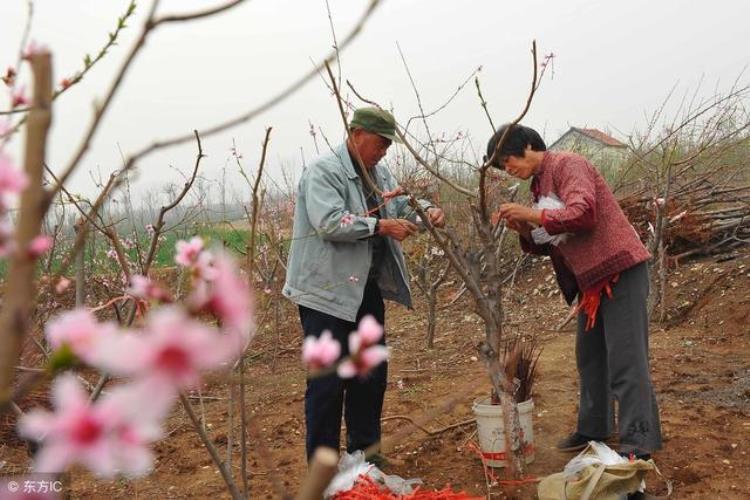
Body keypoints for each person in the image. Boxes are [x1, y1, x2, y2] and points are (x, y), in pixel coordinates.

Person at [486, 123, 662, 459]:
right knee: (590, 357)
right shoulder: (538, 187)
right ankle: (593, 428)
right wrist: (526, 228)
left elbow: (583, 213)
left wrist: (533, 214)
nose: (507, 170)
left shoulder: (568, 164)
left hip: (619, 270)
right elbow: (552, 242)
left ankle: (638, 441)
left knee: (627, 361)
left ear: (526, 146)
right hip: (590, 283)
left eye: (507, 161)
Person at [283, 107, 445, 461]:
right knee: (327, 381)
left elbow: (402, 204)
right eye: (380, 143)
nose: (384, 151)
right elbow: (329, 222)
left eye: (388, 146)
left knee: (369, 372)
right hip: (324, 293)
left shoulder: (379, 174)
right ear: (356, 134)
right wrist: (381, 227)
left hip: (362, 289)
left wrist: (428, 210)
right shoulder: (323, 172)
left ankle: (365, 451)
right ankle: (323, 465)